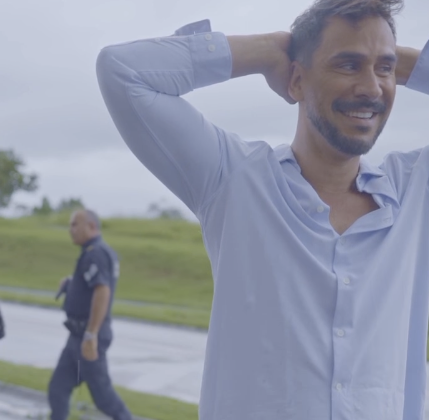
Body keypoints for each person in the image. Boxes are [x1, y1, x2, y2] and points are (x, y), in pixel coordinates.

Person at [95, 0, 429, 419]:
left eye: (384, 69)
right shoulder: (233, 178)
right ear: (297, 80)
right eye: (348, 64)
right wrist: (267, 49)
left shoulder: (414, 192)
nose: (371, 88)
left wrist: (399, 63)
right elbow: (122, 71)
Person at [48, 209, 131, 420]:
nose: (71, 229)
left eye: (75, 224)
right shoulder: (93, 252)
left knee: (104, 398)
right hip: (77, 336)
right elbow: (91, 285)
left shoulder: (96, 253)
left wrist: (91, 334)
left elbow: (102, 290)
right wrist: (71, 284)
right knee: (58, 388)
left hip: (88, 336)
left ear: (91, 226)